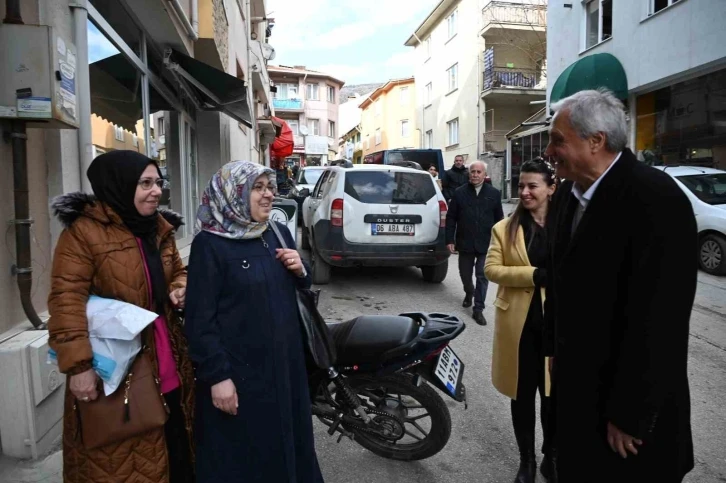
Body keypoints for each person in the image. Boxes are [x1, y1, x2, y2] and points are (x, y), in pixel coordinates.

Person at [543, 89, 697, 482]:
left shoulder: (655, 198)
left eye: (558, 140)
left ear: (596, 141)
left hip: (628, 418)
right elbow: (561, 286)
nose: (548, 151)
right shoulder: (565, 198)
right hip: (578, 396)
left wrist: (631, 414)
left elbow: (662, 318)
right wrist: (553, 349)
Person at [47, 150, 195, 483]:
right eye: (145, 183)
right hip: (116, 368)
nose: (156, 190)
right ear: (119, 185)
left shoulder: (159, 229)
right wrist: (79, 367)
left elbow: (178, 272)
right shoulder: (84, 234)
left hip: (167, 356)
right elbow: (66, 300)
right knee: (119, 460)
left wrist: (180, 287)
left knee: (174, 446)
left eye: (158, 182)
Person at [184, 161, 324, 483]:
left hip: (285, 370)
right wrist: (218, 377)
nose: (268, 195)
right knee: (247, 456)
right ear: (233, 194)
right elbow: (199, 321)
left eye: (269, 187)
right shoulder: (210, 245)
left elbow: (299, 288)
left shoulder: (276, 231)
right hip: (242, 378)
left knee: (290, 445)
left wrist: (301, 270)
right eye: (257, 188)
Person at [485, 159, 557, 483]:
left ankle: (551, 456)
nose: (525, 192)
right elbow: (491, 270)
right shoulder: (504, 228)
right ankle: (525, 459)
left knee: (555, 398)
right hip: (520, 327)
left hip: (559, 326)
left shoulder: (566, 227)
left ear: (550, 188)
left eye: (532, 186)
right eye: (521, 186)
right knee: (523, 395)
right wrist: (533, 275)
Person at [446, 160, 504, 325]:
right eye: (473, 172)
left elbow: (500, 219)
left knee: (482, 275)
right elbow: (451, 218)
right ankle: (469, 292)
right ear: (468, 173)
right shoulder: (459, 193)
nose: (475, 175)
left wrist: (501, 241)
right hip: (465, 242)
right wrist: (449, 239)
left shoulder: (494, 193)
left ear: (484, 175)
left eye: (479, 172)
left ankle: (478, 309)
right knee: (465, 274)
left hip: (486, 243)